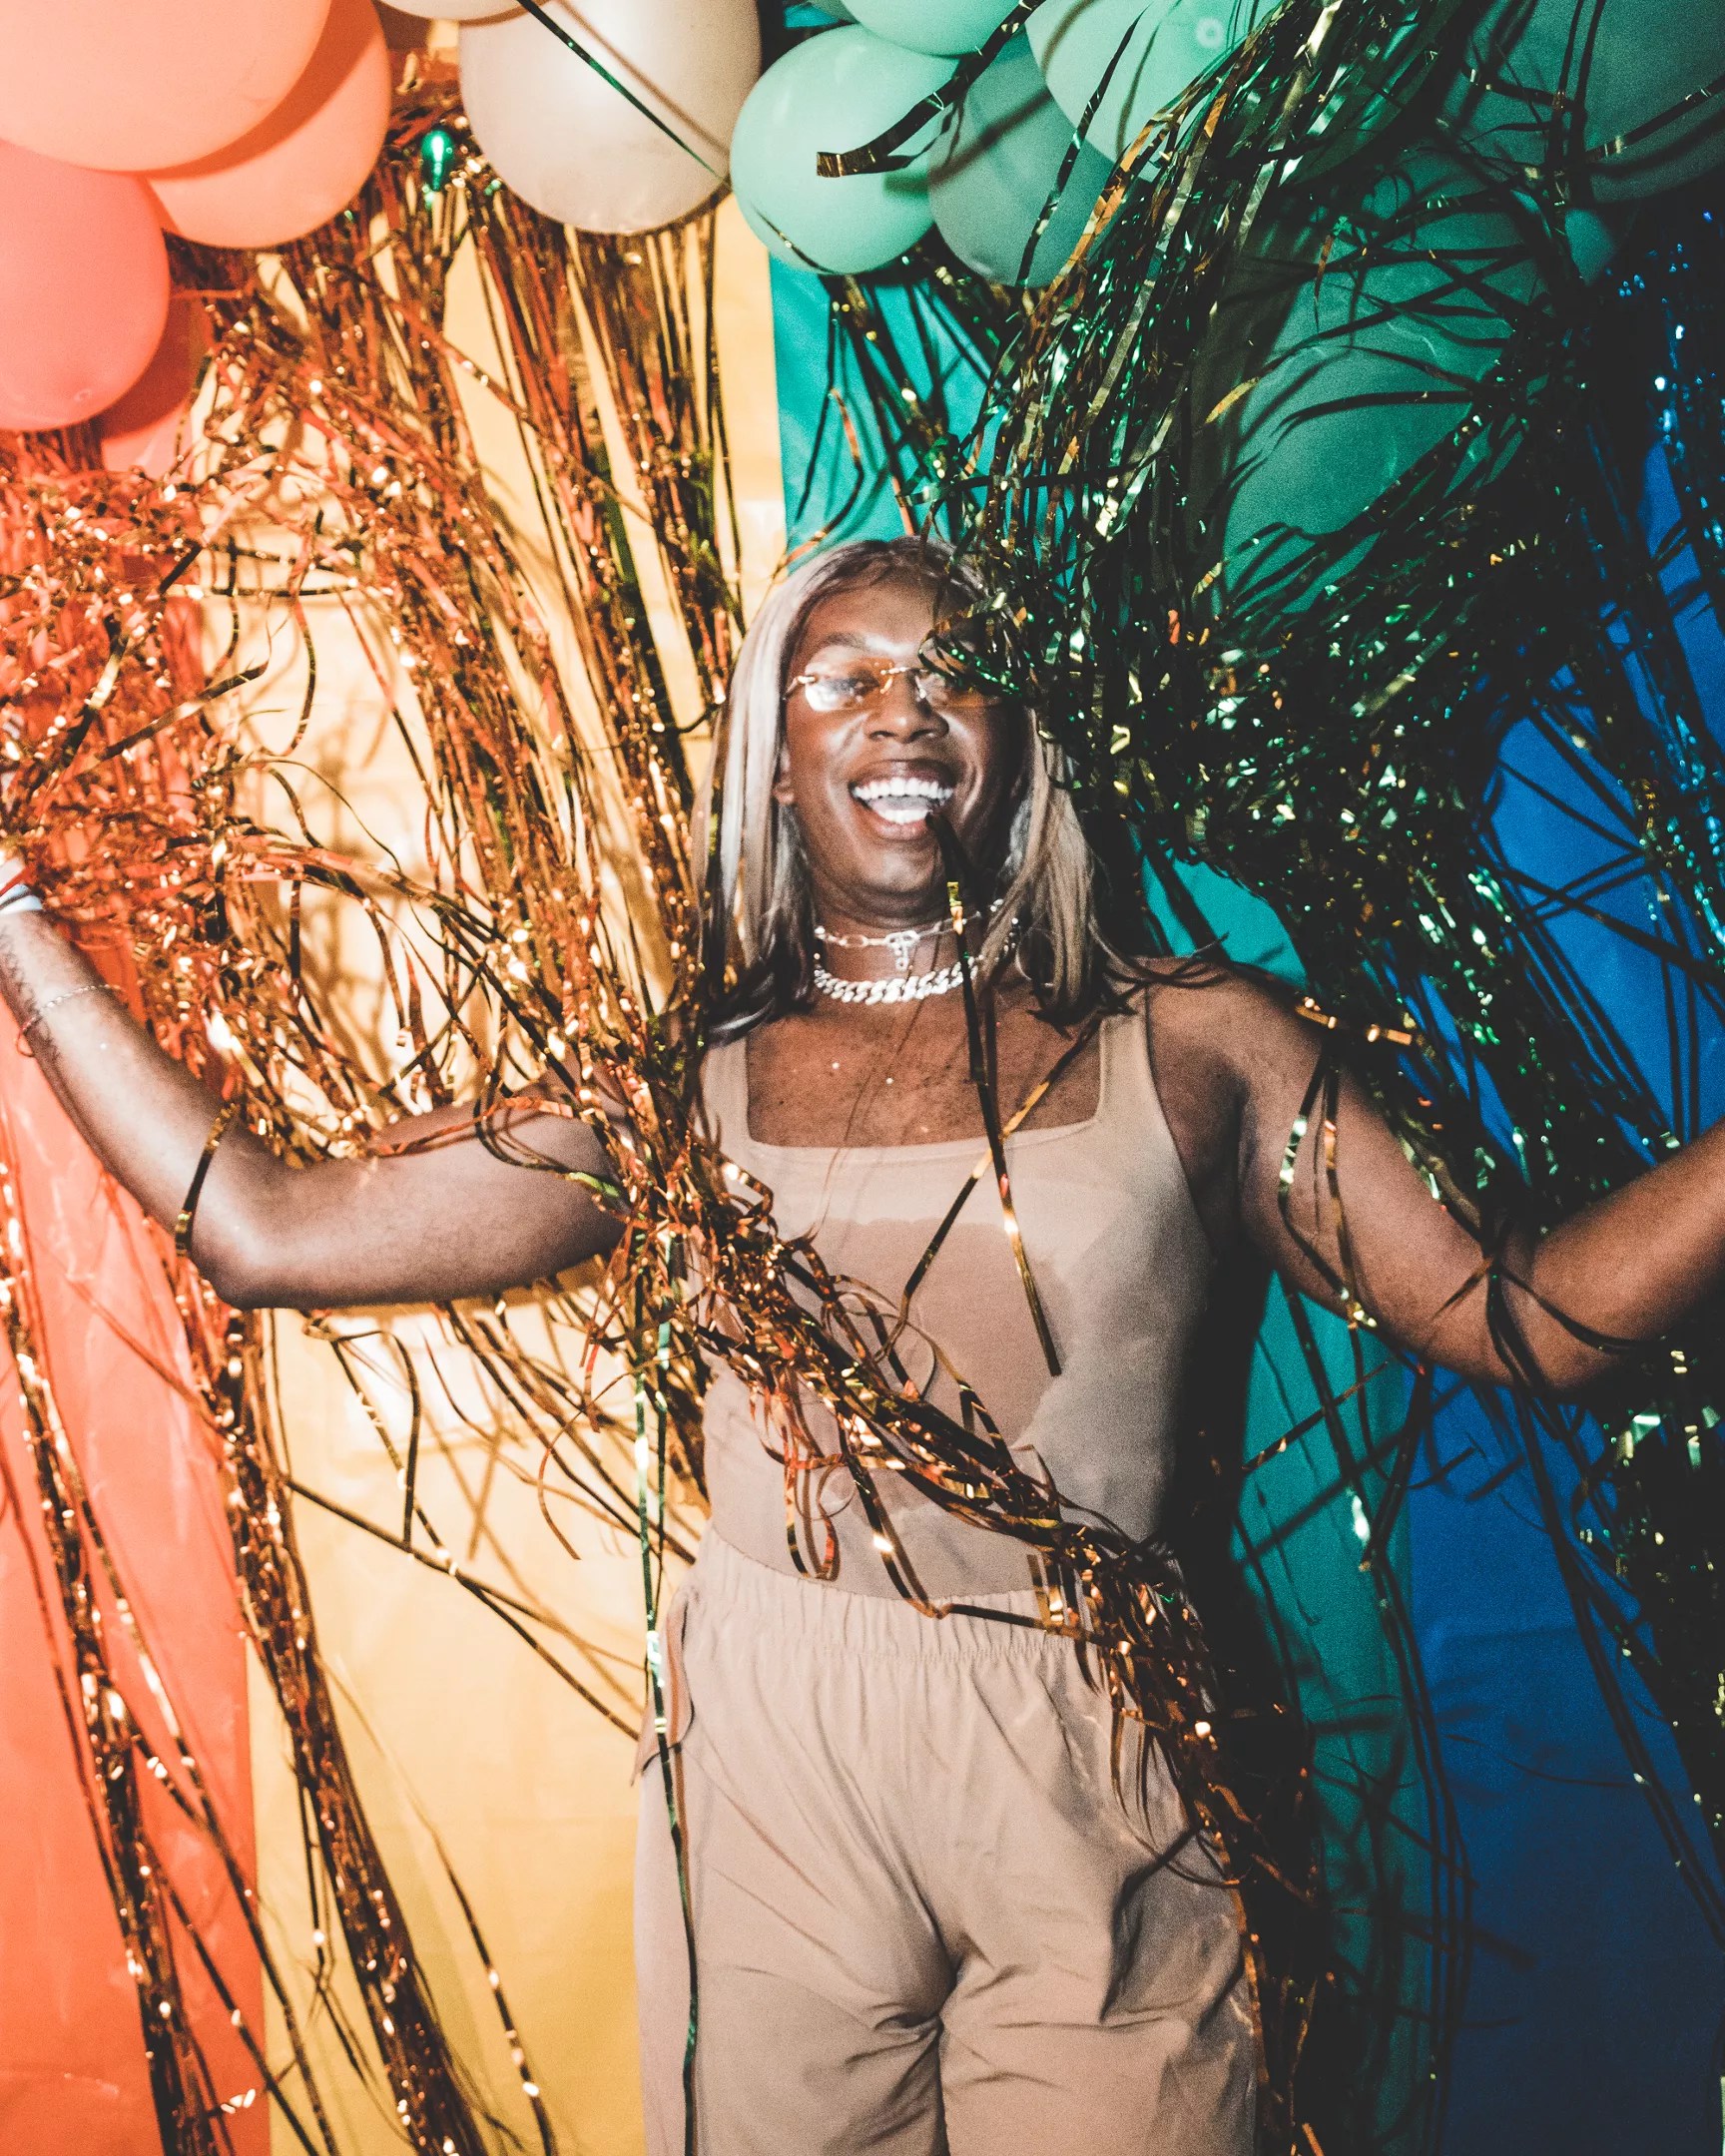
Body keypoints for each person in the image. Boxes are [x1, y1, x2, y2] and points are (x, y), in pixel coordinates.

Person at [2, 534, 1721, 2155]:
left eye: (954, 673)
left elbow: (1530, 1321)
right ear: (774, 760)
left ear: (1016, 744)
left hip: (1096, 1751)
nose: (905, 709)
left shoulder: (1197, 1041)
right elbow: (263, 1230)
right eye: (844, 679)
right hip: (772, 1753)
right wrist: (14, 916)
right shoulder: (679, 1089)